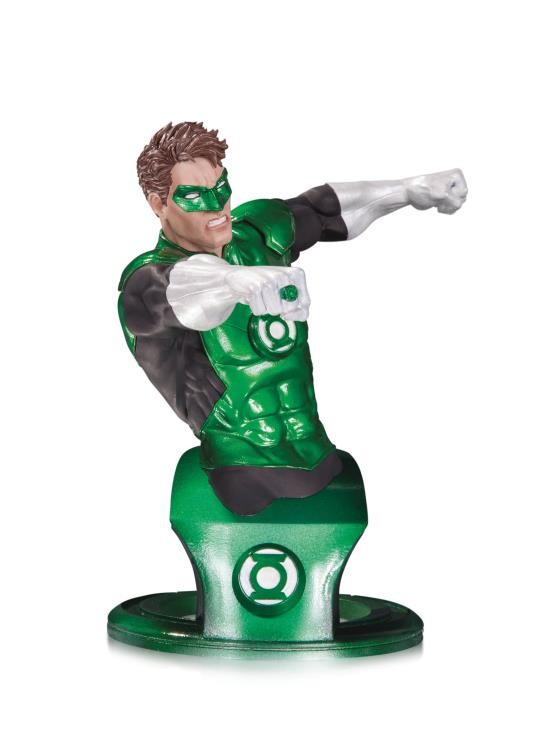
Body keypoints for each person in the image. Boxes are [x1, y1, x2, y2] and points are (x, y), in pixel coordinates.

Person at [119, 121, 467, 515]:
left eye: (221, 188)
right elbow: (183, 288)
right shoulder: (146, 283)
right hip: (241, 466)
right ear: (158, 204)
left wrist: (407, 190)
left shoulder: (254, 237)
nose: (217, 207)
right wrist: (235, 280)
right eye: (195, 196)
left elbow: (321, 209)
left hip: (316, 451)